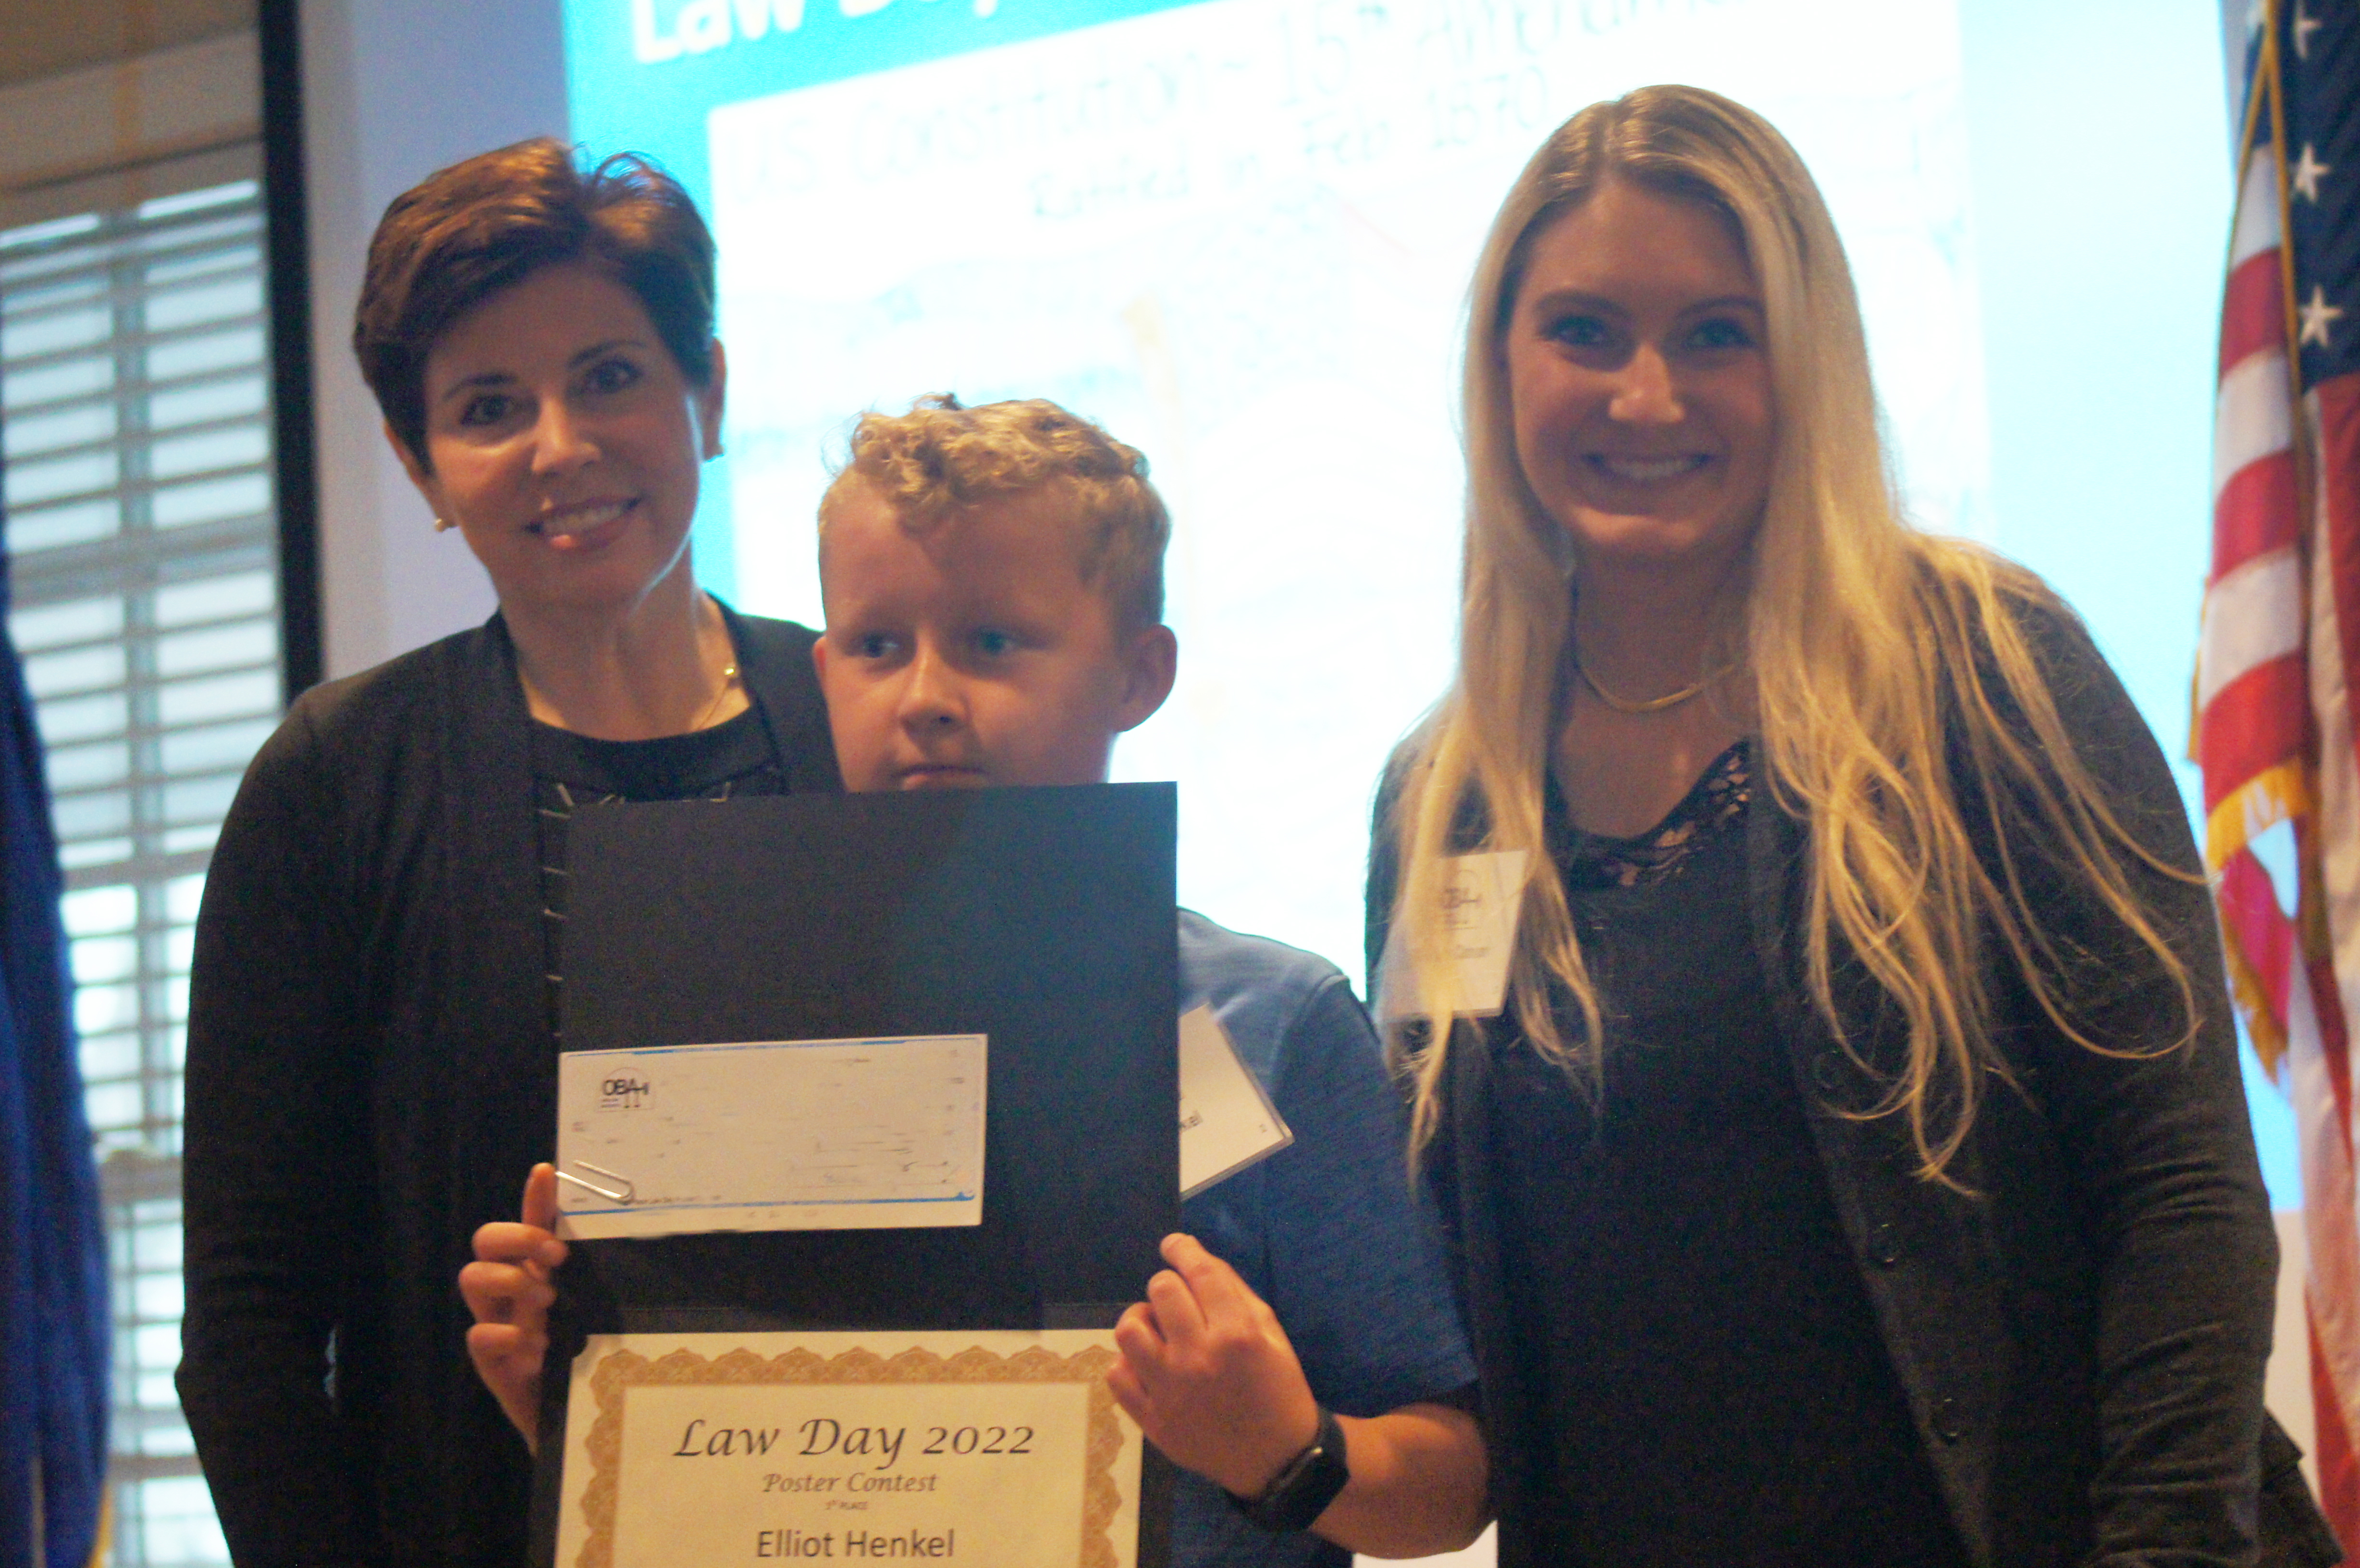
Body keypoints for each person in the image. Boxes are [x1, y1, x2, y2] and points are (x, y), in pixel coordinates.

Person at [1347, 85, 2314, 1566]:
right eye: (1586, 330)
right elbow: (1461, 1348)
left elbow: (2179, 1183)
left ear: (1807, 365)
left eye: (1718, 334)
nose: (1648, 395)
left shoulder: (1986, 671)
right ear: (1500, 366)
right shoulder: (1440, 803)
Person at [462, 394, 1489, 1564]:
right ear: (821, 674)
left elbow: (1451, 1481)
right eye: (877, 646)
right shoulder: (717, 1024)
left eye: (994, 641)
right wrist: (579, 1394)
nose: (928, 697)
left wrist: (1286, 1450)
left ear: (1138, 676)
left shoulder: (1272, 1026)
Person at [175, 140, 839, 1567]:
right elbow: (250, 1327)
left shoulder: (863, 724)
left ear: (706, 393)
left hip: (873, 1519)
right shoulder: (334, 785)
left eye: (610, 375)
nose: (560, 445)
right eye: (488, 406)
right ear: (421, 464)